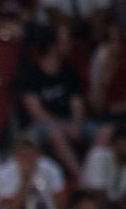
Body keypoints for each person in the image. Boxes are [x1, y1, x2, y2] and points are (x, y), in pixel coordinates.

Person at [14, 27, 89, 181]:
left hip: (71, 123)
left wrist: (76, 124)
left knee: (105, 132)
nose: (70, 45)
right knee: (56, 133)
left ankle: (99, 179)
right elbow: (36, 112)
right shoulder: (30, 73)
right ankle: (83, 180)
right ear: (52, 47)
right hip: (40, 125)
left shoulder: (70, 72)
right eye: (65, 42)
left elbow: (77, 105)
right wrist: (66, 126)